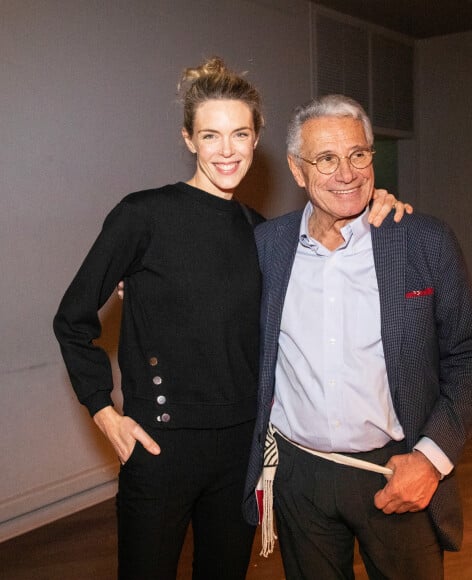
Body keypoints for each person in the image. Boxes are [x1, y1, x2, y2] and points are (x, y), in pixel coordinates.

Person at [53, 59, 409, 580]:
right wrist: (104, 412)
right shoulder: (142, 215)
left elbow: (322, 252)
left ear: (256, 138)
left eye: (239, 134)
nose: (226, 150)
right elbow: (72, 318)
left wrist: (374, 203)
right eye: (211, 135)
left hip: (242, 450)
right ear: (189, 139)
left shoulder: (265, 235)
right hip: (160, 445)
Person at [242, 94, 472, 579]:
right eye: (327, 159)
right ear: (297, 170)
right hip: (299, 477)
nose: (348, 173)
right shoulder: (267, 246)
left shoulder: (422, 239)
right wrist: (141, 286)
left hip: (396, 472)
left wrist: (430, 458)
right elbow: (211, 300)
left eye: (358, 155)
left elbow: (470, 354)